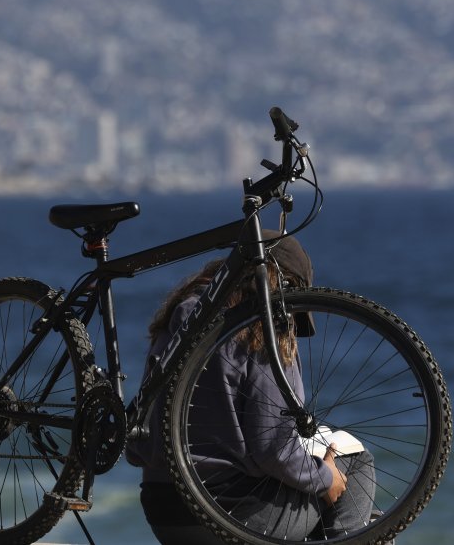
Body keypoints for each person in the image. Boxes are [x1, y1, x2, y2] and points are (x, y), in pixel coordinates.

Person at [126, 231, 376, 544]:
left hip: (164, 513)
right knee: (355, 462)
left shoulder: (180, 319)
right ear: (286, 287)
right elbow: (274, 449)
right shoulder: (262, 328)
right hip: (229, 518)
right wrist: (325, 478)